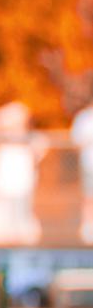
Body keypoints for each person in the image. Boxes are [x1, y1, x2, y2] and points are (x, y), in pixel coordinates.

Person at [0, 101, 44, 245]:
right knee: (4, 209)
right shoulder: (4, 144)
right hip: (7, 182)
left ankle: (23, 236)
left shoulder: (31, 140)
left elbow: (40, 149)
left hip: (21, 181)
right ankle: (6, 236)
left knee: (22, 209)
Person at [74, 97, 93, 244]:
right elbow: (76, 140)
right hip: (89, 163)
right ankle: (88, 227)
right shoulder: (84, 118)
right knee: (89, 195)